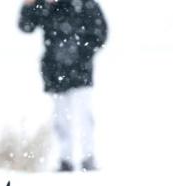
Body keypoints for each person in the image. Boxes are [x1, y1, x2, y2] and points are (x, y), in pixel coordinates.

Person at [18, 0, 107, 172]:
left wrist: (79, 54)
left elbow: (100, 33)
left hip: (80, 73)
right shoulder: (46, 5)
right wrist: (28, 5)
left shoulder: (86, 4)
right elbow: (26, 26)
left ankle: (88, 158)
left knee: (83, 116)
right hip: (55, 74)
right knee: (61, 119)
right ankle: (65, 159)